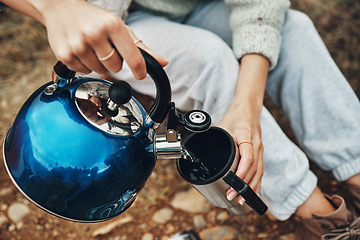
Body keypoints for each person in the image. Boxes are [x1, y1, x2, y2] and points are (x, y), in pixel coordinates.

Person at [2, 0, 360, 239]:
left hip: (196, 5)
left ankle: (354, 162)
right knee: (207, 58)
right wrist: (54, 7)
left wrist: (247, 108)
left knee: (294, 27)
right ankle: (313, 209)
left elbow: (260, 8)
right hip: (116, 21)